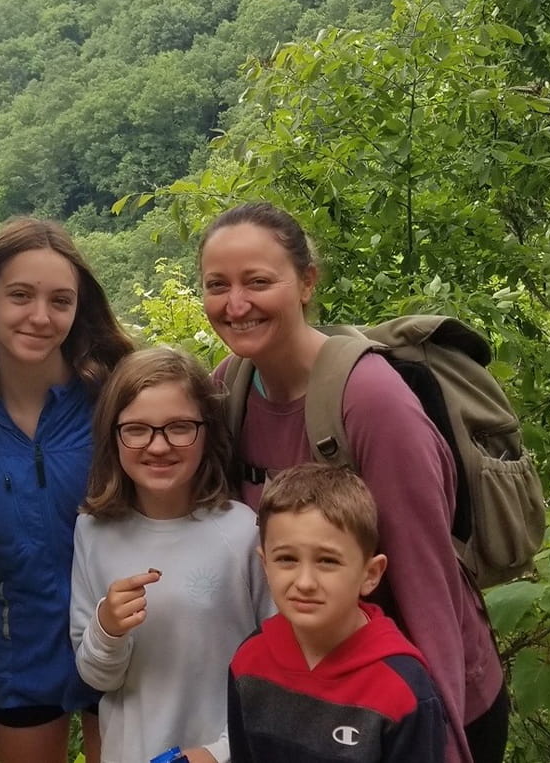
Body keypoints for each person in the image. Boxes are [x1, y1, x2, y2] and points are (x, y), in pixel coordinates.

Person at [198, 202, 506, 763]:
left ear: (307, 282)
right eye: (217, 285)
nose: (235, 304)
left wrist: (444, 740)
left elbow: (427, 580)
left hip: (418, 709)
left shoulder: (371, 400)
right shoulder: (230, 389)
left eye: (258, 282)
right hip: (317, 699)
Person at [0, 217, 133, 763]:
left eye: (60, 300)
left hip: (120, 635)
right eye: (20, 296)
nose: (40, 316)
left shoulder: (114, 401)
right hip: (16, 649)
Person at [70, 348, 276, 763]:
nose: (158, 446)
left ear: (207, 432)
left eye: (180, 427)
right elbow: (97, 678)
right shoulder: (93, 531)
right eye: (137, 429)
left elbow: (279, 667)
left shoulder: (242, 530)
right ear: (113, 435)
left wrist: (219, 753)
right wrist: (107, 629)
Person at [228, 462, 445, 763]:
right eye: (287, 559)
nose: (304, 583)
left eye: (327, 561)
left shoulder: (403, 689)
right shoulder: (248, 661)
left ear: (370, 573)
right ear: (265, 565)